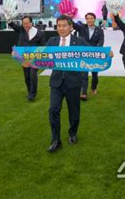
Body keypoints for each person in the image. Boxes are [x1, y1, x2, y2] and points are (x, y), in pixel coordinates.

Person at [46, 15, 87, 153]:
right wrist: (20, 54)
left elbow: (92, 54)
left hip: (73, 82)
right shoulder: (52, 41)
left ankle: (72, 133)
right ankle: (55, 139)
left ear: (70, 27)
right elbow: (39, 55)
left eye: (64, 26)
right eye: (59, 26)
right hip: (56, 82)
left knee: (74, 112)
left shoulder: (79, 41)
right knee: (53, 110)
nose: (61, 28)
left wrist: (106, 54)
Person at [9, 16, 46, 101]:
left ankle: (32, 94)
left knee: (32, 75)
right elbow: (13, 26)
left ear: (31, 23)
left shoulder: (40, 33)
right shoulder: (21, 30)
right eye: (24, 23)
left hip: (35, 58)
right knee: (27, 77)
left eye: (27, 23)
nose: (25, 25)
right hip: (23, 58)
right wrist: (9, 20)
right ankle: (30, 92)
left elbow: (43, 46)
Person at [73, 12, 104, 101]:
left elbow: (101, 41)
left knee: (95, 74)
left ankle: (94, 88)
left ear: (94, 19)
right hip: (83, 54)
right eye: (87, 18)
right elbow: (74, 25)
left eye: (91, 18)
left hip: (94, 55)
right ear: (86, 20)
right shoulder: (82, 27)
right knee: (84, 74)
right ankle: (83, 93)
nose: (89, 20)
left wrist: (97, 50)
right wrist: (68, 17)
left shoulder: (99, 30)